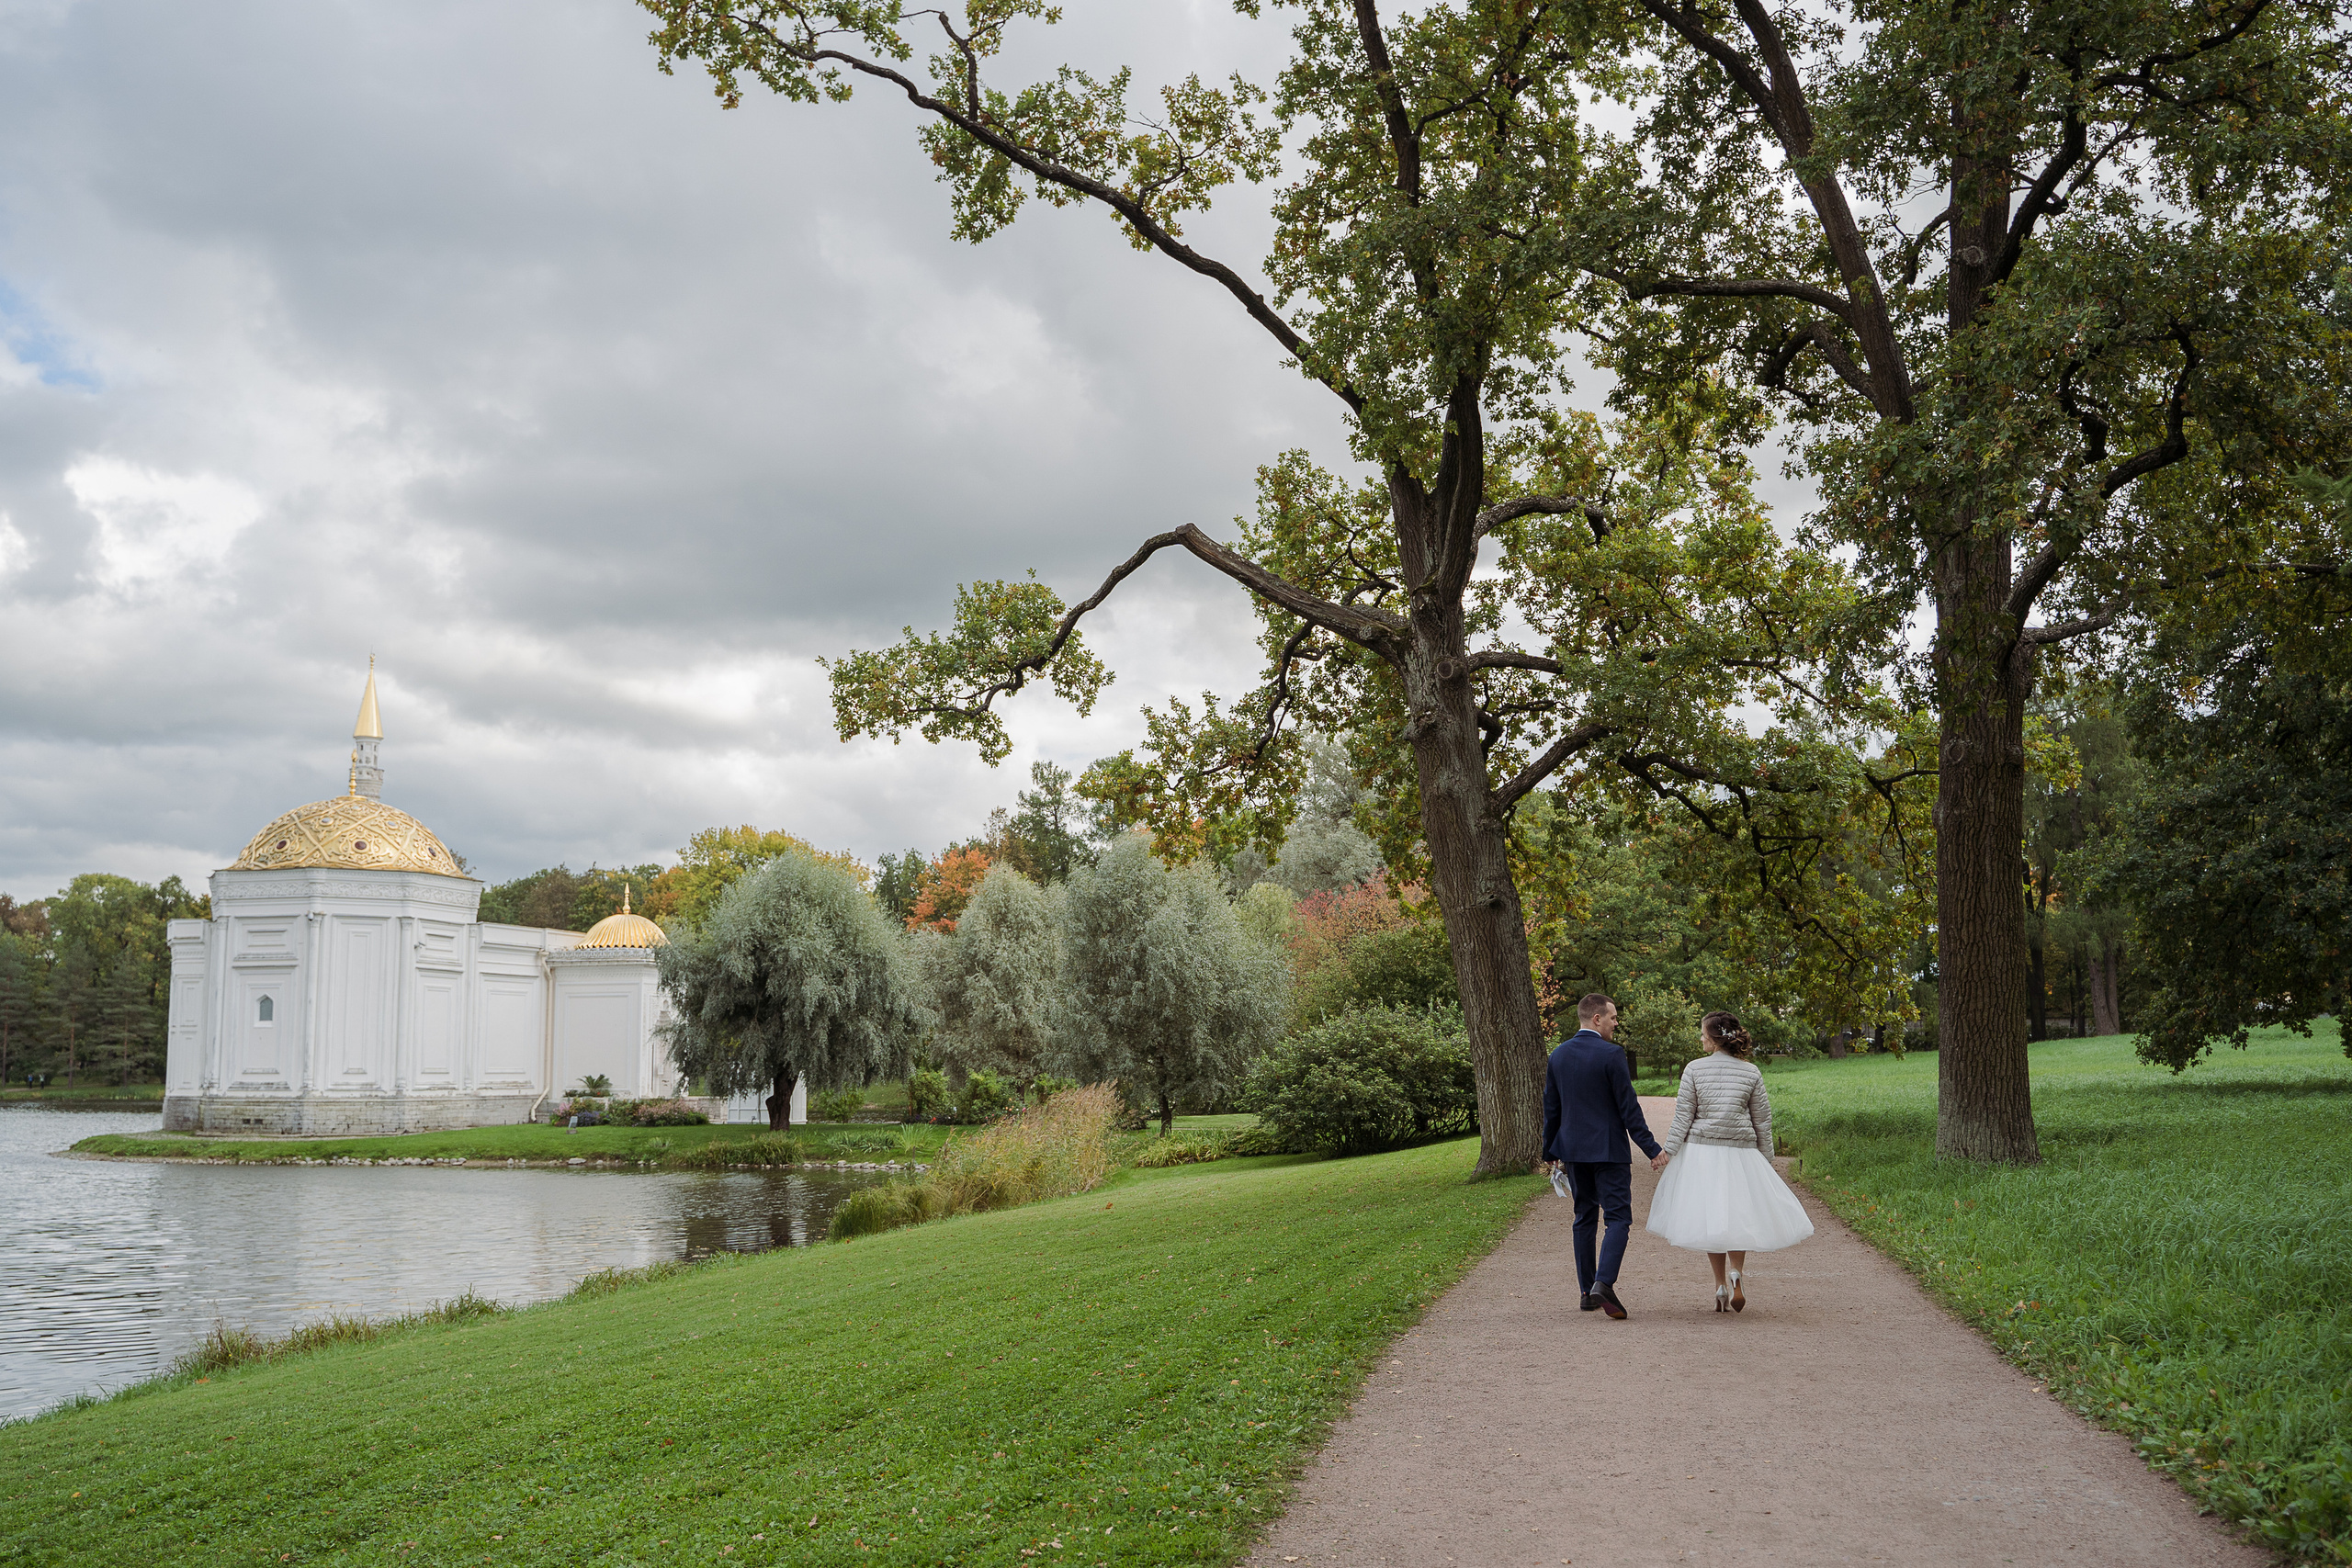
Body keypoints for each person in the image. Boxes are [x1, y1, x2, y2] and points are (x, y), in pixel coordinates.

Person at [1645, 1010, 1814, 1312]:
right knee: (1738, 1216)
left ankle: (1720, 1285)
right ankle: (1737, 1273)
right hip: (1741, 1152)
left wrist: (1667, 1151)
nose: (1700, 1039)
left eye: (1703, 1034)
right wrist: (1766, 1159)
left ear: (1714, 1039)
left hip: (1702, 1153)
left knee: (1711, 1219)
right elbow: (1762, 1120)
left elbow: (1684, 1116)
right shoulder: (1751, 1072)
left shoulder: (1694, 1069)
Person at [1541, 992, 1666, 1321]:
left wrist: (1550, 1150)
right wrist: (1652, 1148)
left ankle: (1587, 1293)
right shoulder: (1612, 1054)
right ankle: (1604, 1283)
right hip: (1609, 1151)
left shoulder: (1558, 1055)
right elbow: (1628, 1108)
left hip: (1572, 1150)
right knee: (1618, 1218)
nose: (1615, 1023)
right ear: (1596, 1018)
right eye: (1612, 1018)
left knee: (1583, 1217)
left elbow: (1551, 1108)